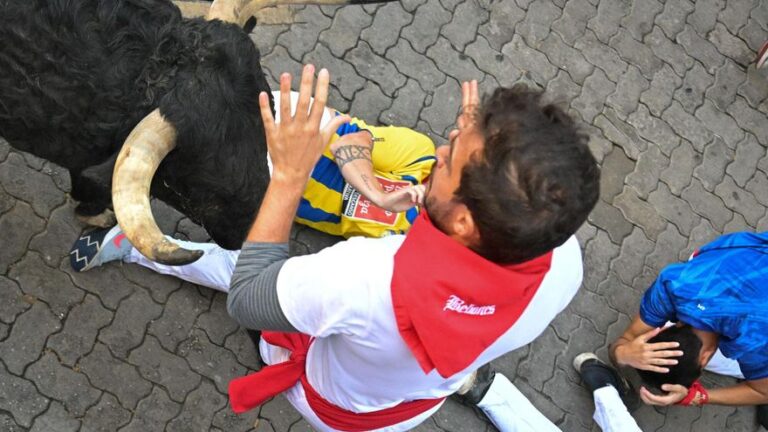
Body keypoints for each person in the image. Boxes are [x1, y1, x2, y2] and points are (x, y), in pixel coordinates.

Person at [219, 65, 599, 432]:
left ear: (464, 224)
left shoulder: (365, 277)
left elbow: (247, 298)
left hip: (329, 400)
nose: (438, 151)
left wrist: (289, 175)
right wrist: (483, 154)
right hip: (407, 406)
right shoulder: (564, 259)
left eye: (449, 165)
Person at [70, 89, 435, 280]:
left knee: (257, 276)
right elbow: (347, 140)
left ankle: (130, 246)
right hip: (272, 133)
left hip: (271, 196)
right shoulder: (423, 158)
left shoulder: (417, 252)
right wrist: (375, 193)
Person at [575, 231, 768, 431]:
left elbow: (762, 391)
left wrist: (697, 396)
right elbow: (629, 339)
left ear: (705, 358)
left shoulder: (754, 340)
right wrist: (623, 353)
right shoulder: (674, 283)